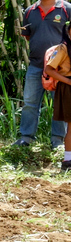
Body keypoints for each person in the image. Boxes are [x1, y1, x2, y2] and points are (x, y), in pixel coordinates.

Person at [14, 0, 71, 148]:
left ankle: (57, 140)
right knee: (30, 102)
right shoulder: (29, 11)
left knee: (59, 104)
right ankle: (26, 137)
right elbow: (29, 36)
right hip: (36, 65)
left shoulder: (67, 9)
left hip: (60, 69)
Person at [44, 23, 71, 171]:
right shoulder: (63, 48)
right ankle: (68, 161)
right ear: (68, 32)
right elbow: (49, 68)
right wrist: (67, 81)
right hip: (68, 88)